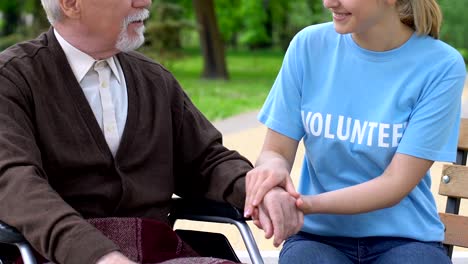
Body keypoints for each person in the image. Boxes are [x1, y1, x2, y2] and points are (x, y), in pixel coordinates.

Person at [0, 0, 302, 263]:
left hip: (160, 250)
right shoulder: (13, 79)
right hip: (57, 256)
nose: (145, 2)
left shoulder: (155, 80)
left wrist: (258, 190)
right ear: (70, 3)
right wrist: (96, 255)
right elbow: (15, 183)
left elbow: (206, 161)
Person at [244, 0, 467, 263]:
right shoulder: (308, 46)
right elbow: (275, 150)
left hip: (406, 240)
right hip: (318, 239)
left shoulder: (441, 66)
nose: (329, 2)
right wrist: (272, 172)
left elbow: (395, 183)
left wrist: (303, 204)